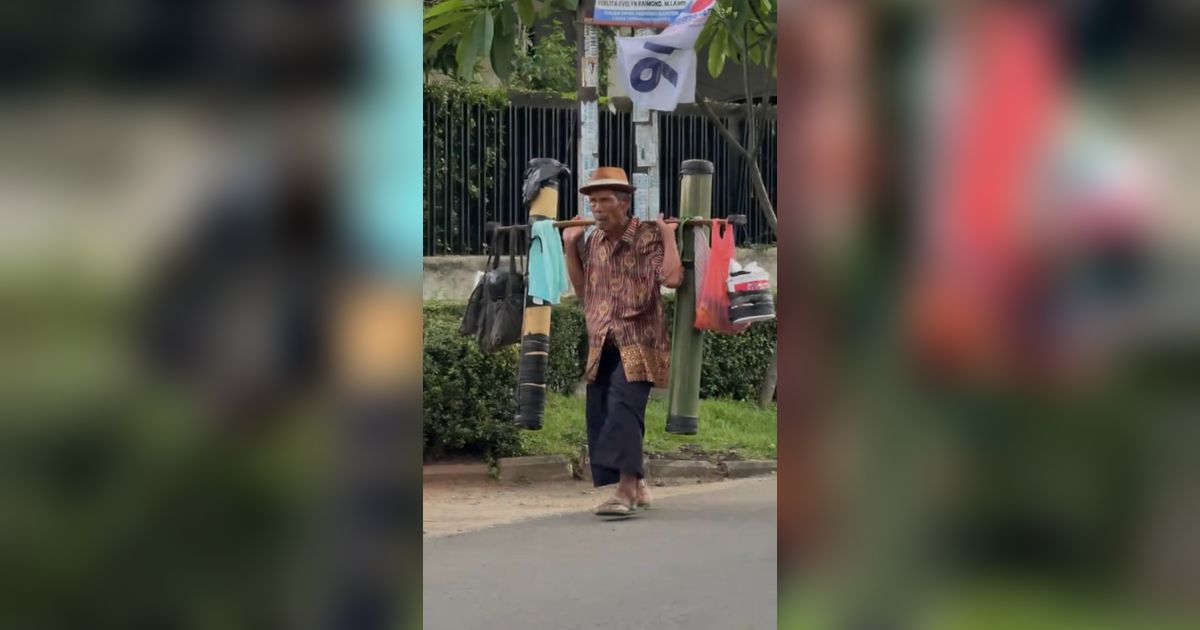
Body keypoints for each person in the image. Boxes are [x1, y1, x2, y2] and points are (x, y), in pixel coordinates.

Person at [562, 167, 683, 517]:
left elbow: (673, 278)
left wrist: (668, 236)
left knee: (623, 411)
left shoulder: (647, 236)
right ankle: (639, 485)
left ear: (624, 203)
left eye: (604, 200)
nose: (596, 208)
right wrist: (571, 246)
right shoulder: (593, 241)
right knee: (601, 412)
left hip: (639, 339)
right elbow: (584, 289)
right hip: (602, 339)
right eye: (593, 201)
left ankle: (626, 490)